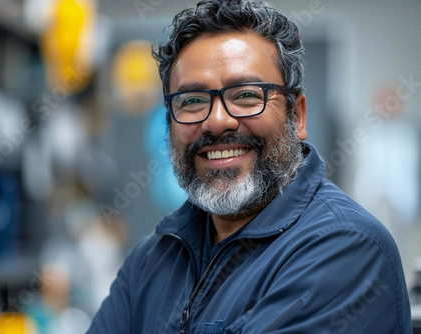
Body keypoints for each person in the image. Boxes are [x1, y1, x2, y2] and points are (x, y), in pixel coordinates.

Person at [87, 0, 412, 333]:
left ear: (296, 116)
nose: (216, 121)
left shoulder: (346, 249)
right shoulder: (151, 260)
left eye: (245, 95)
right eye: (193, 101)